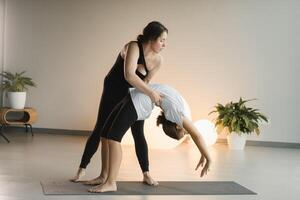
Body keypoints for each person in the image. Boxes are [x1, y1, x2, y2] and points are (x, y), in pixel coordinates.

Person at [70, 21, 168, 186]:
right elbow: (129, 75)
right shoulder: (133, 46)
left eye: (165, 41)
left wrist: (147, 96)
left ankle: (146, 173)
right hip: (113, 90)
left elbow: (145, 82)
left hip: (133, 94)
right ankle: (83, 170)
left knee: (138, 131)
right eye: (162, 40)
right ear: (151, 38)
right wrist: (151, 93)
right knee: (101, 129)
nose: (164, 44)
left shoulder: (158, 60)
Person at [88, 84, 212, 193]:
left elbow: (196, 135)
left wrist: (203, 153)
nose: (187, 132)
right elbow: (197, 135)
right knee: (106, 134)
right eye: (184, 133)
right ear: (178, 126)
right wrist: (207, 157)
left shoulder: (175, 114)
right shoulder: (178, 113)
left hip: (138, 99)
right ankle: (104, 177)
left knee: (114, 138)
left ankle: (111, 182)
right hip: (136, 96)